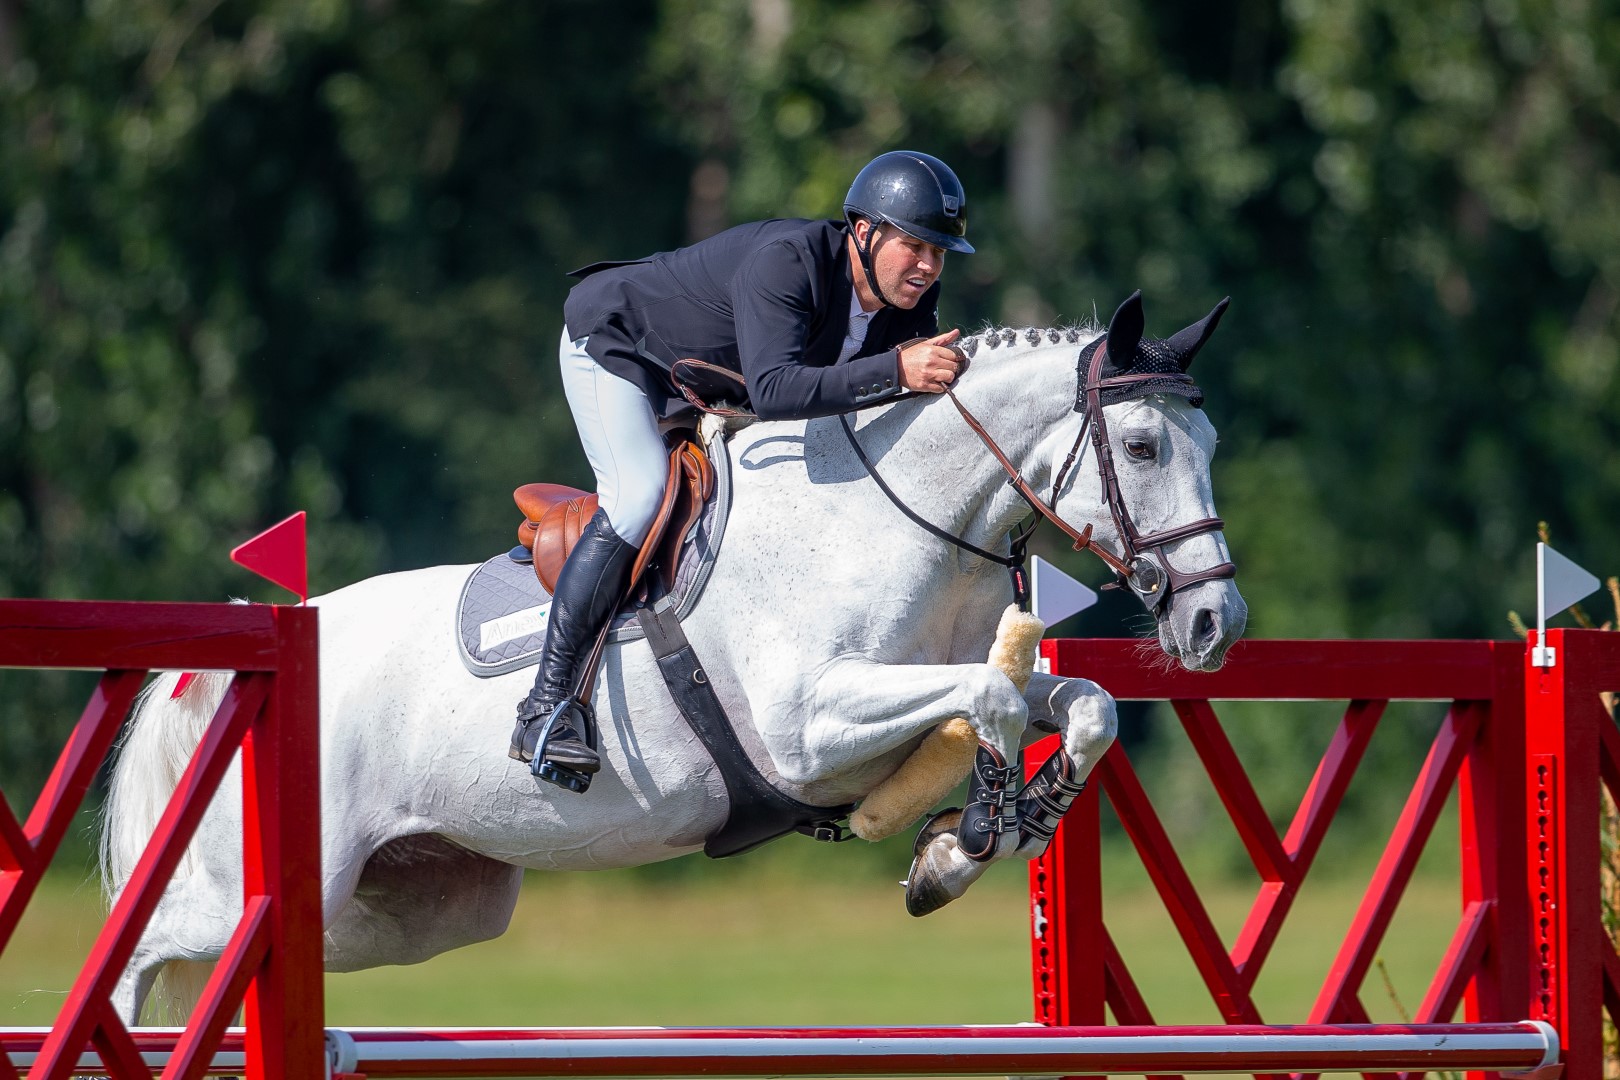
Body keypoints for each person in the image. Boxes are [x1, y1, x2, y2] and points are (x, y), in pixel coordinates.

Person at [511, 150, 975, 785]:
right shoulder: (789, 261)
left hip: (711, 386)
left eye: (939, 252)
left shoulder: (911, 298)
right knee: (639, 495)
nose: (927, 266)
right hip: (618, 345)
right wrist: (897, 369)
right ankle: (545, 708)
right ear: (864, 232)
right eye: (914, 246)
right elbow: (777, 390)